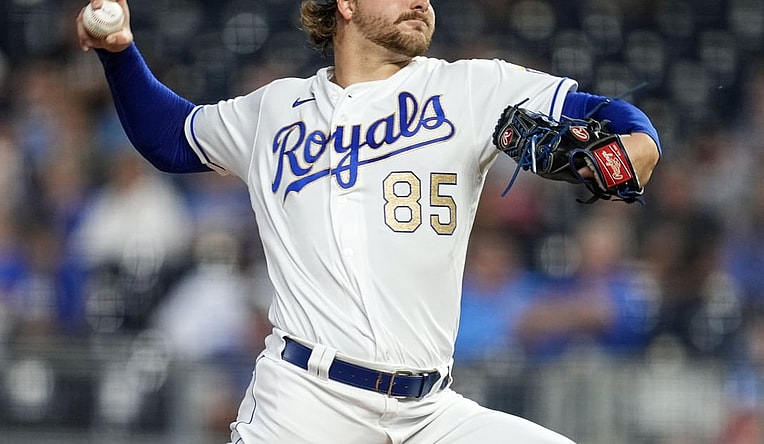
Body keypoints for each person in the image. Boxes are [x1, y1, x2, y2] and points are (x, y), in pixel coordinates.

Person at [76, 0, 661, 442]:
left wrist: (637, 148)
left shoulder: (475, 89)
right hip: (303, 404)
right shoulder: (275, 109)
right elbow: (170, 137)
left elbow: (616, 118)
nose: (421, 2)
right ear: (346, 5)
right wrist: (121, 51)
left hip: (429, 413)